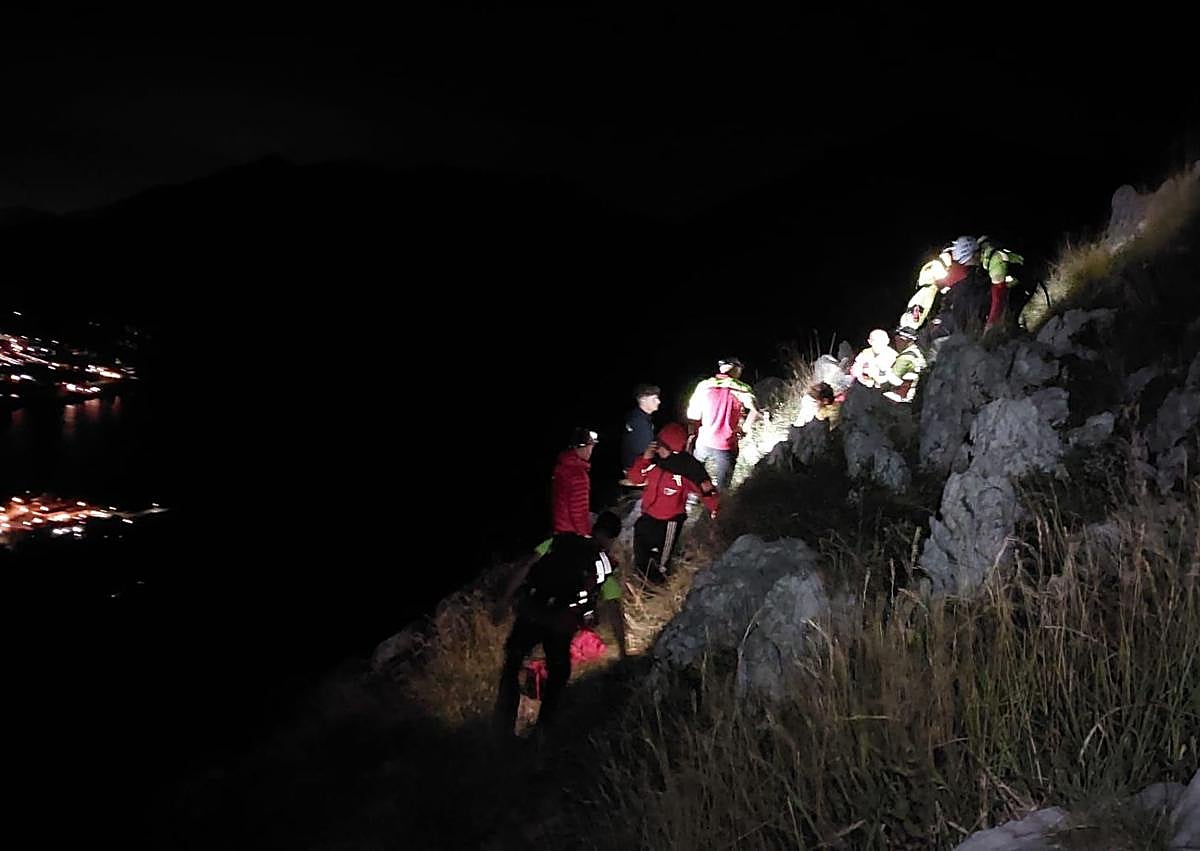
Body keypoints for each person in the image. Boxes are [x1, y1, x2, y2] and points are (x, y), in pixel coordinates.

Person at [492, 530, 613, 738]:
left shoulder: (558, 540)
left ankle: (502, 725)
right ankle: (543, 729)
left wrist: (504, 600)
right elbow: (609, 600)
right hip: (560, 621)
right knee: (559, 673)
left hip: (532, 609)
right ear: (611, 538)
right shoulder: (602, 561)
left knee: (512, 664)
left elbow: (526, 566)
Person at [625, 422, 719, 582]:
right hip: (647, 516)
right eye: (658, 443)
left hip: (669, 523)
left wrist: (715, 510)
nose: (658, 448)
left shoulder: (686, 469)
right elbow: (635, 478)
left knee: (661, 562)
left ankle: (657, 588)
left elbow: (706, 489)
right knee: (641, 551)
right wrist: (644, 460)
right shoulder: (652, 460)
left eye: (662, 446)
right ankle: (640, 581)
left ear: (673, 450)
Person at [686, 356, 759, 491]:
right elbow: (755, 411)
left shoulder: (704, 386)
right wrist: (744, 430)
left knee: (694, 478)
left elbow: (693, 416)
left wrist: (692, 437)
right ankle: (718, 509)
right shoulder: (742, 388)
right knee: (722, 489)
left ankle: (691, 501)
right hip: (726, 445)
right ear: (736, 369)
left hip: (704, 441)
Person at [551, 427, 597, 539]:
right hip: (571, 534)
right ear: (583, 447)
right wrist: (585, 535)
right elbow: (578, 511)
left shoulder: (561, 467)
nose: (591, 450)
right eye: (591, 446)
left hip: (558, 528)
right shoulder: (578, 475)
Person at [620, 384, 661, 476]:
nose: (658, 401)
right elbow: (645, 451)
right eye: (654, 399)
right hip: (637, 470)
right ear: (643, 399)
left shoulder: (641, 417)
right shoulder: (638, 421)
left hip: (637, 467)